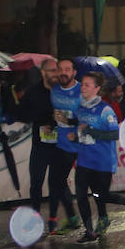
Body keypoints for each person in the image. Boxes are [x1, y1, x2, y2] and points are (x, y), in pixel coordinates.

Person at [69, 72, 125, 243]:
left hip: (102, 161)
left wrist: (92, 132)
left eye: (87, 85)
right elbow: (79, 126)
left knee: (100, 195)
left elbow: (115, 134)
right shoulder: (80, 108)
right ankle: (89, 231)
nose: (83, 88)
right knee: (81, 195)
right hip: (84, 159)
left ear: (97, 88)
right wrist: (75, 135)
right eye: (82, 84)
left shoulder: (105, 109)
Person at [12, 59, 76, 234]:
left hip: (59, 144)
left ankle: (56, 220)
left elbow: (71, 113)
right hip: (40, 144)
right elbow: (21, 114)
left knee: (57, 183)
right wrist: (41, 121)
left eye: (58, 70)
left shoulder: (61, 92)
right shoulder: (33, 93)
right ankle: (36, 219)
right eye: (52, 70)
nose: (56, 73)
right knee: (36, 183)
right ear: (43, 72)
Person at [49, 57, 85, 235]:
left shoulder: (81, 90)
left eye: (67, 69)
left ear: (74, 72)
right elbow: (53, 112)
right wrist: (51, 123)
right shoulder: (54, 90)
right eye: (60, 69)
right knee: (57, 181)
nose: (63, 72)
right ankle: (72, 218)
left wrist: (69, 120)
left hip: (81, 144)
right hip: (63, 144)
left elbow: (88, 116)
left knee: (91, 185)